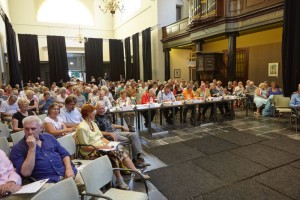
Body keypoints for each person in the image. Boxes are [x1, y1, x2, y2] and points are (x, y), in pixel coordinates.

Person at [75, 104, 150, 190]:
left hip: (100, 147)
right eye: (93, 112)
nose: (95, 113)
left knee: (118, 149)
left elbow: (101, 137)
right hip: (90, 152)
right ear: (88, 113)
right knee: (112, 153)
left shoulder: (93, 124)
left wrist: (110, 144)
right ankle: (119, 180)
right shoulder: (82, 128)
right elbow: (85, 148)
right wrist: (102, 147)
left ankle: (137, 173)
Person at [10, 116, 82, 185]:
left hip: (66, 172)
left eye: (33, 129)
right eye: (26, 129)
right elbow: (26, 173)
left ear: (41, 128)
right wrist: (31, 149)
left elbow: (64, 154)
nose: (30, 132)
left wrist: (69, 169)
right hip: (48, 181)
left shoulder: (49, 137)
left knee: (88, 184)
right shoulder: (17, 148)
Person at [95, 101, 150, 168]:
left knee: (134, 135)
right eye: (100, 108)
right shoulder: (95, 118)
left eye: (103, 108)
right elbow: (98, 132)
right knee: (132, 140)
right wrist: (109, 133)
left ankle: (138, 158)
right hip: (109, 136)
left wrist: (121, 126)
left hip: (116, 132)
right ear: (96, 109)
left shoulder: (105, 115)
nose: (102, 110)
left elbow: (111, 125)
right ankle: (136, 161)